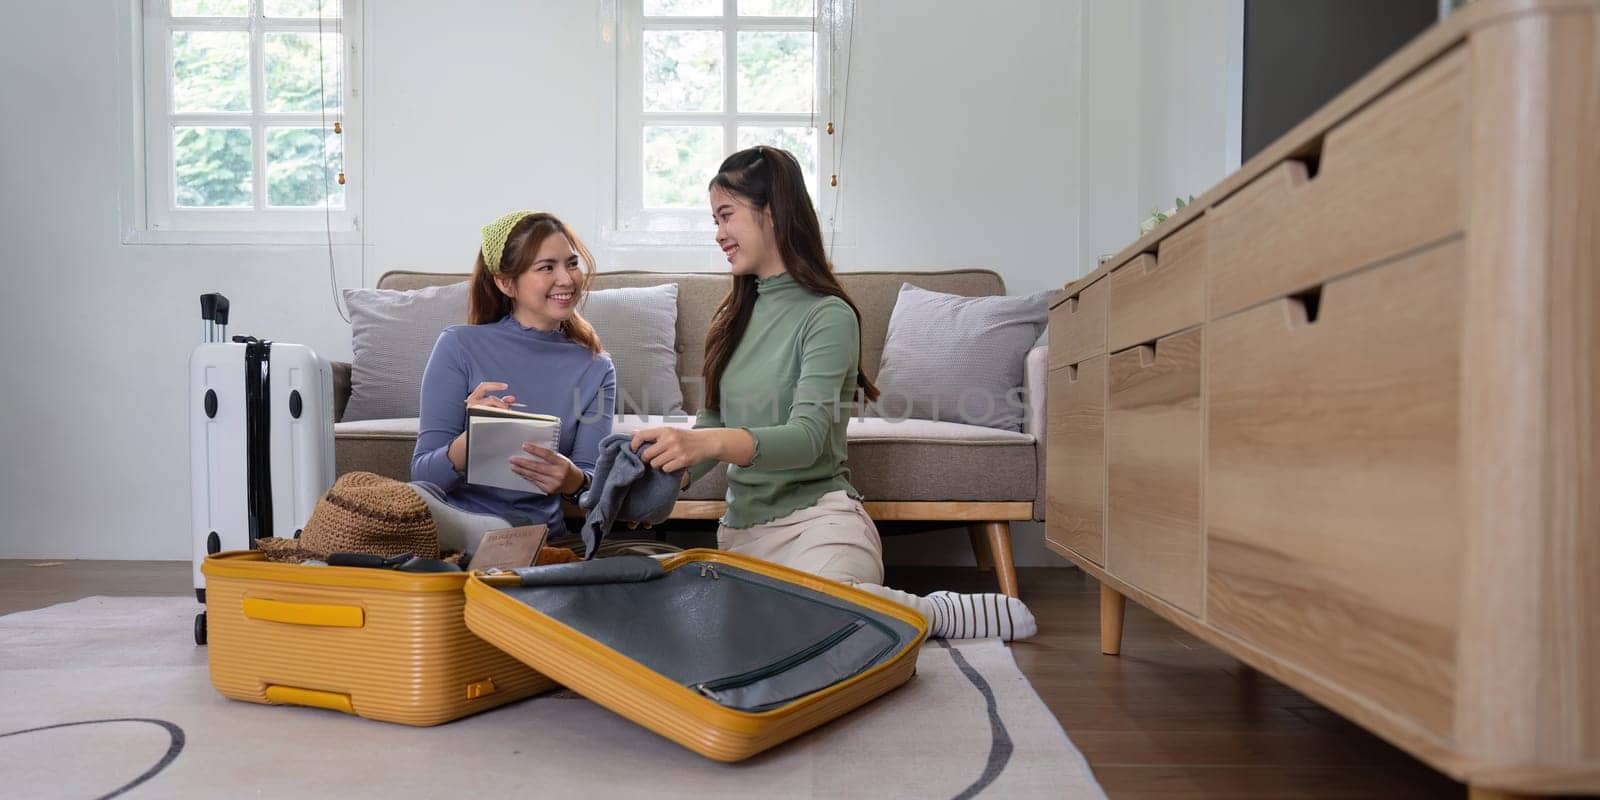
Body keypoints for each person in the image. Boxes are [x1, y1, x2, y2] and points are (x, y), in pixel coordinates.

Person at [629, 147, 1036, 641]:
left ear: (773, 212)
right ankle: (857, 612)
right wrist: (658, 474)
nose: (718, 234)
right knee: (745, 641)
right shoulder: (729, 321)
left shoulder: (828, 316)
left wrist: (708, 443)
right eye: (715, 219)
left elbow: (807, 438)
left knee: (824, 619)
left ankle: (933, 613)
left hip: (818, 527)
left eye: (726, 216)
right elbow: (711, 428)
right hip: (742, 536)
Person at [408, 211, 616, 554]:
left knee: (519, 532)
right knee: (405, 499)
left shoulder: (596, 367)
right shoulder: (458, 346)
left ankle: (497, 538)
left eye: (572, 263)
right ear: (507, 283)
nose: (566, 278)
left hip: (533, 528)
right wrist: (472, 438)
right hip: (454, 516)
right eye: (547, 267)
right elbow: (423, 477)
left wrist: (571, 479)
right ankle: (478, 534)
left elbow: (590, 482)